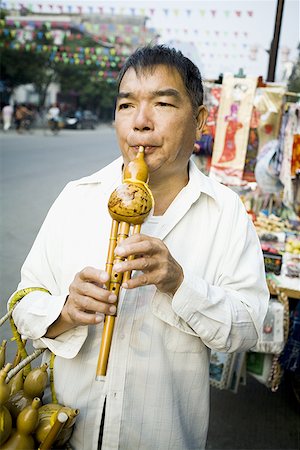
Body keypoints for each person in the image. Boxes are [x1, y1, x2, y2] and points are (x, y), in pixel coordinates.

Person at [11, 45, 269, 450]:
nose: (140, 123)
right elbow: (24, 301)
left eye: (163, 103)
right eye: (127, 105)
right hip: (63, 434)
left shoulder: (225, 212)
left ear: (199, 120)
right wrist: (64, 311)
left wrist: (180, 284)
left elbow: (250, 327)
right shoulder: (77, 197)